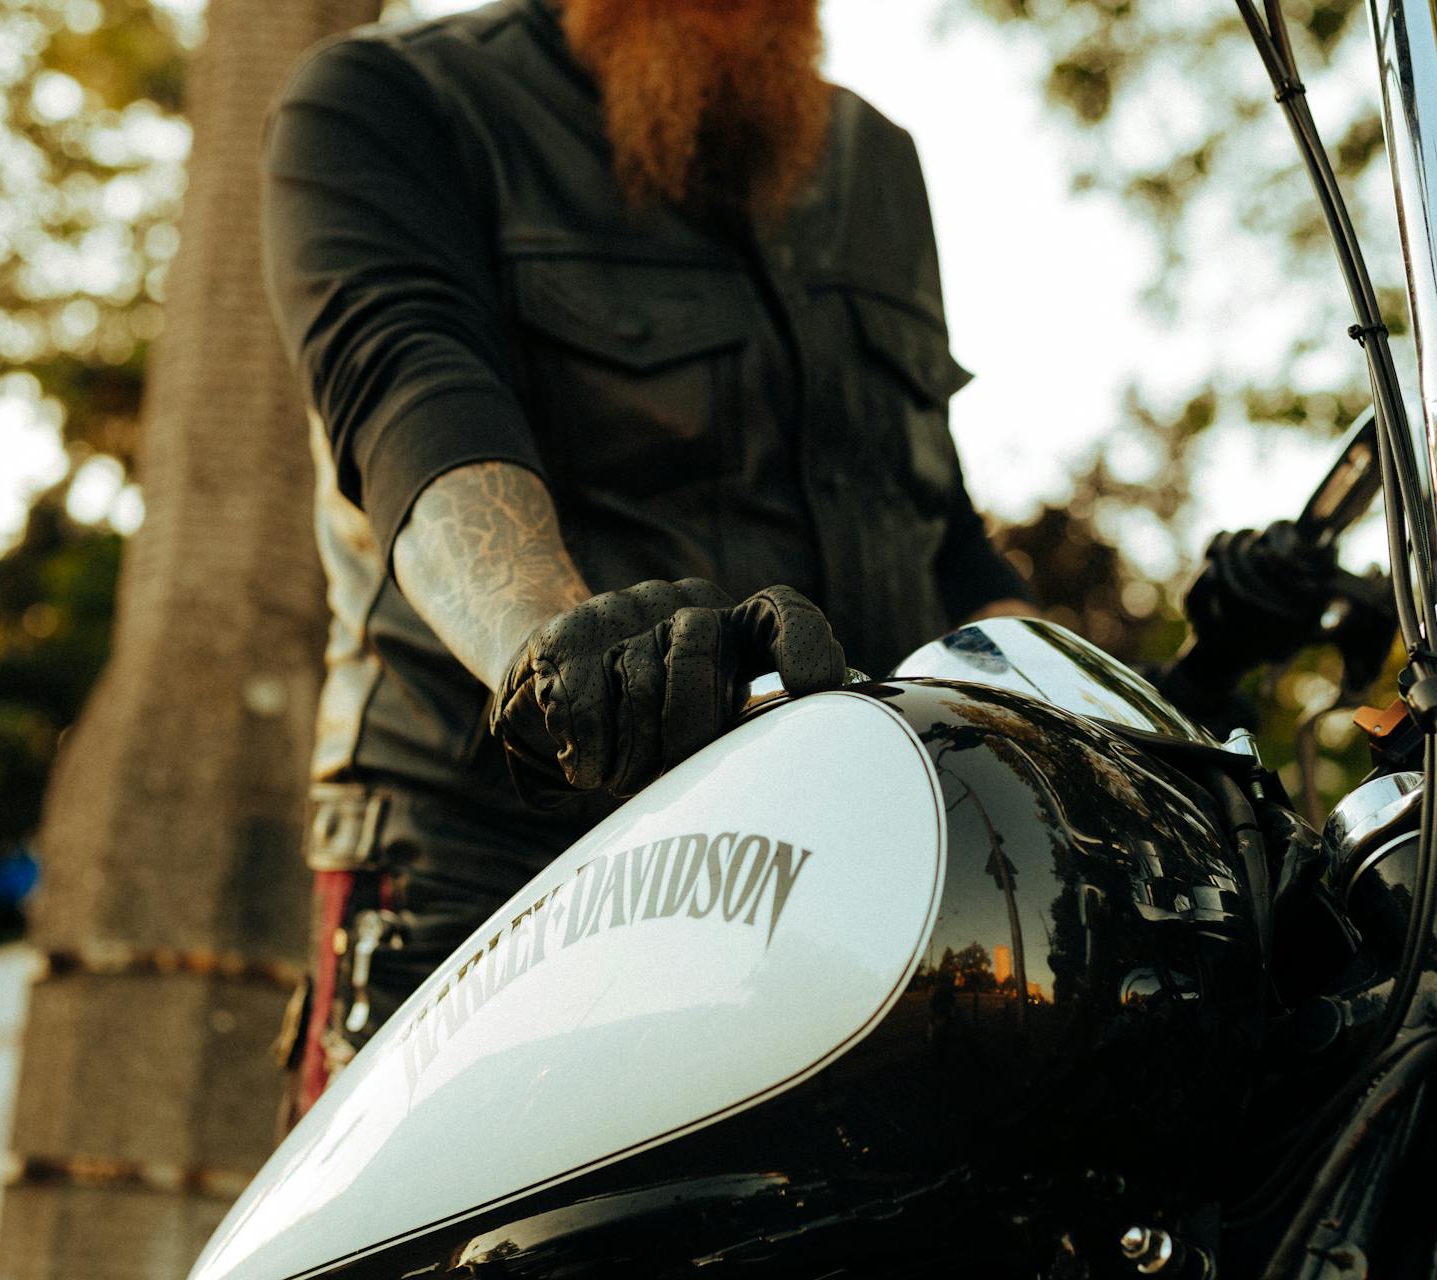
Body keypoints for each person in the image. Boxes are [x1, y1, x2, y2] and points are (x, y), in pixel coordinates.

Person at [260, 0, 1031, 1116]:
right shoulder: (393, 100)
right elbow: (413, 405)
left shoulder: (876, 163)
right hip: (490, 872)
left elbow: (938, 525)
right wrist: (554, 648)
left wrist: (1109, 722)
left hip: (837, 874)